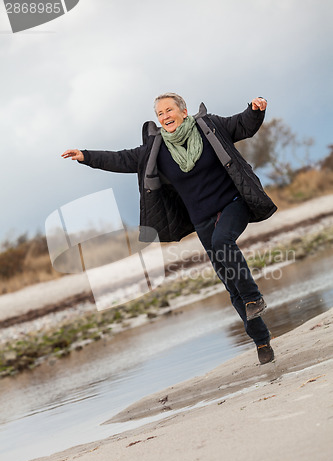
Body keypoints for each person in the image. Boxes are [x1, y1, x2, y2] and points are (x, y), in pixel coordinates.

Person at [62, 93, 277, 364]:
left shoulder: (209, 127)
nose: (165, 116)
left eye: (169, 110)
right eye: (160, 113)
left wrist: (256, 110)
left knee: (224, 243)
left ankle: (254, 297)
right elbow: (122, 159)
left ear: (183, 111)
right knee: (231, 284)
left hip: (233, 204)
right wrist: (86, 156)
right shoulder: (157, 150)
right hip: (202, 220)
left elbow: (242, 125)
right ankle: (261, 341)